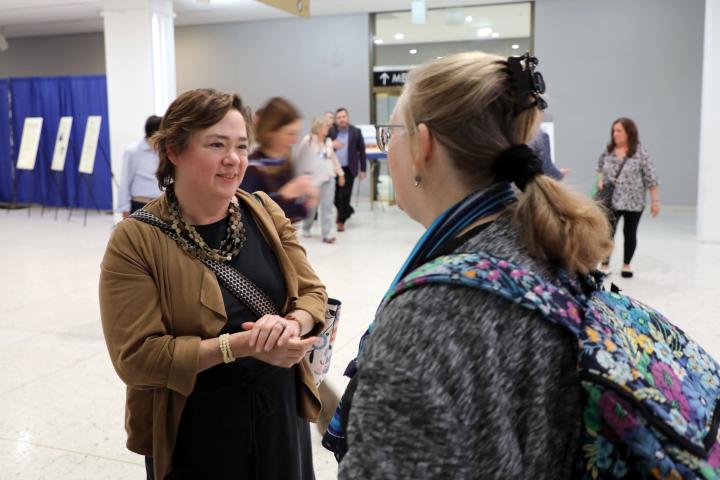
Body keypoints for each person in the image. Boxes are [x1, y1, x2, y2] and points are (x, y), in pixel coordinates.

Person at [335, 52, 613, 478]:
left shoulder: (427, 320)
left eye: (393, 133)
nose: (388, 149)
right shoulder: (544, 246)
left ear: (423, 145)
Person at [99, 88, 327, 480]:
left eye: (241, 146)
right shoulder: (136, 240)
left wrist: (292, 326)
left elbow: (312, 293)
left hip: (279, 412)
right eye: (216, 144)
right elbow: (136, 358)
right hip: (196, 425)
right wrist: (241, 345)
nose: (233, 159)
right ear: (174, 150)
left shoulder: (263, 211)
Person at [596, 117, 660, 278]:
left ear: (629, 133)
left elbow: (651, 178)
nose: (615, 134)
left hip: (634, 202)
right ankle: (604, 264)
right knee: (608, 232)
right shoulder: (608, 150)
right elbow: (599, 168)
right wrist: (600, 180)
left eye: (619, 131)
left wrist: (655, 201)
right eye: (613, 131)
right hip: (611, 200)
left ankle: (626, 265)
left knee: (629, 233)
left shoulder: (640, 152)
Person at [241, 97, 318, 223]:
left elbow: (292, 216)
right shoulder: (253, 167)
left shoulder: (284, 163)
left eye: (296, 134)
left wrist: (305, 201)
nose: (295, 140)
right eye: (290, 134)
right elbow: (247, 216)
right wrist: (283, 196)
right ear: (271, 132)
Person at [299, 115, 345, 243]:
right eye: (326, 126)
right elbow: (300, 157)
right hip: (312, 180)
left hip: (328, 179)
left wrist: (340, 174)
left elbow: (334, 159)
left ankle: (327, 234)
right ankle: (306, 227)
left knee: (327, 207)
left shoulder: (328, 141)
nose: (328, 129)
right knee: (311, 208)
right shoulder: (307, 140)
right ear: (318, 127)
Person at [117, 115, 163, 218]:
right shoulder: (133, 151)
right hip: (140, 205)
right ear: (154, 133)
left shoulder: (165, 151)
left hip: (162, 206)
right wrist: (124, 210)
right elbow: (125, 182)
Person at [328, 107, 367, 231]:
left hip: (349, 169)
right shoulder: (331, 132)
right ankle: (347, 210)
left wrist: (363, 169)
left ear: (348, 118)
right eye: (339, 117)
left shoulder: (356, 131)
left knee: (344, 196)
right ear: (336, 119)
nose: (341, 119)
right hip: (334, 169)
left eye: (343, 117)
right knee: (334, 196)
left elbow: (362, 151)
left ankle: (341, 221)